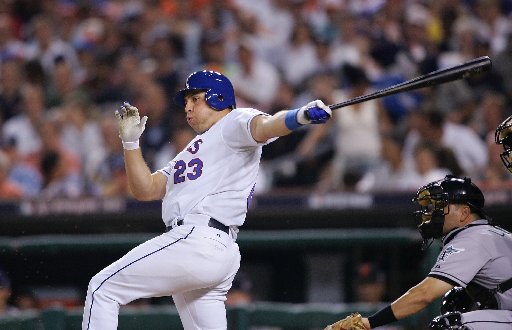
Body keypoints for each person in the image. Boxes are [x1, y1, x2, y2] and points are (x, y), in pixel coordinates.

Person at [81, 70, 332, 330]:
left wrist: (299, 116)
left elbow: (266, 126)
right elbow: (147, 189)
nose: (187, 108)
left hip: (197, 239)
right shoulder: (193, 149)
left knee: (102, 289)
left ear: (217, 98)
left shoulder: (234, 121)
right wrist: (131, 143)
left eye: (194, 99)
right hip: (212, 250)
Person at [325, 175, 512, 329]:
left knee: (449, 326)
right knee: (455, 300)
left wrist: (369, 323)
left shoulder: (472, 237)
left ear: (464, 213)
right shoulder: (485, 233)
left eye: (440, 206)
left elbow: (424, 294)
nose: (431, 213)